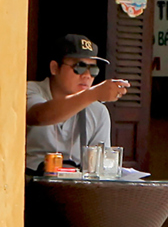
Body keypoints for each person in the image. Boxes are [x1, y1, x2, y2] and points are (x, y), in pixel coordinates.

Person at [27, 34, 126, 172]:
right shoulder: (30, 90)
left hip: (75, 188)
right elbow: (39, 115)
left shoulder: (98, 111)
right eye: (79, 67)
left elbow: (100, 167)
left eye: (93, 70)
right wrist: (93, 94)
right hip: (28, 184)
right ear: (54, 68)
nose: (86, 75)